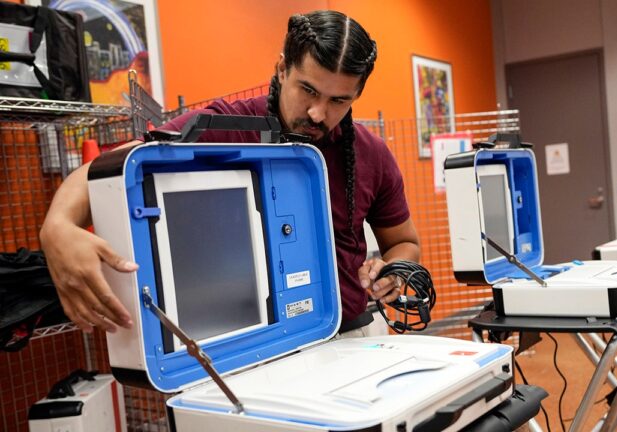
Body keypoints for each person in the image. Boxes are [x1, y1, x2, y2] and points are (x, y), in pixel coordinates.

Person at [39, 10, 420, 337]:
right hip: (246, 341)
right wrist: (57, 226)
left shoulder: (371, 154)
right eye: (308, 90)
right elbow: (105, 171)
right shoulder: (222, 126)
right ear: (282, 67)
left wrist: (396, 270)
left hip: (349, 332)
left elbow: (405, 242)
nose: (318, 113)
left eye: (339, 100)